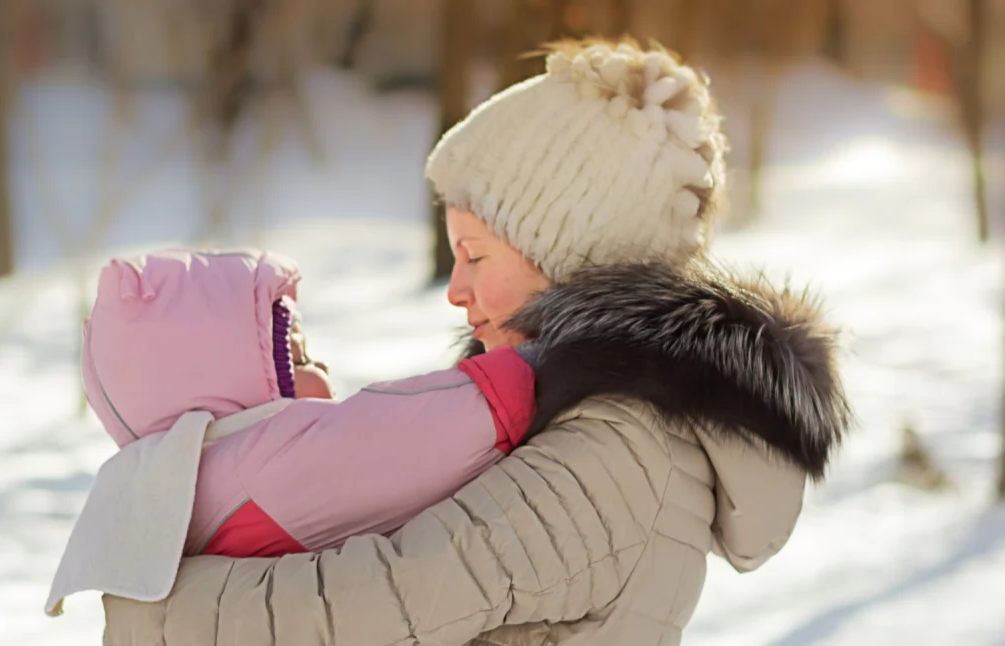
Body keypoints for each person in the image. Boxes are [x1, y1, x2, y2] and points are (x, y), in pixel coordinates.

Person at [99, 38, 851, 645]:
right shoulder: (577, 418)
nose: (455, 291)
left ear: (568, 255)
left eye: (476, 255)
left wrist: (153, 613)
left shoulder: (619, 450)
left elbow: (386, 598)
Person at [44, 248, 536, 616]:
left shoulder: (171, 487)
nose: (321, 366)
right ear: (232, 380)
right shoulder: (266, 464)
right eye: (299, 356)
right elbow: (431, 427)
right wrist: (539, 359)